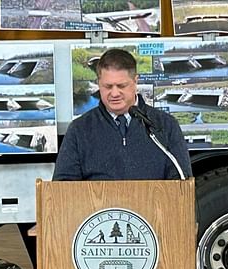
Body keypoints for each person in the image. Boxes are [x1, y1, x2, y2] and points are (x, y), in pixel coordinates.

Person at [53, 48, 192, 181]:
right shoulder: (79, 129)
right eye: (108, 86)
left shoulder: (165, 125)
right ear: (98, 83)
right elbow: (62, 187)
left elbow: (181, 181)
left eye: (121, 86)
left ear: (135, 82)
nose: (114, 93)